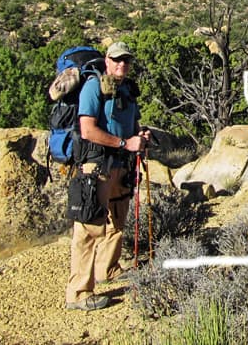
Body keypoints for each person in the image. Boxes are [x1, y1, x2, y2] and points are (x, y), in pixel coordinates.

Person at [65, 41, 151, 311]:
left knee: (117, 219)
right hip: (97, 164)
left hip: (121, 164)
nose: (121, 64)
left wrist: (141, 137)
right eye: (116, 60)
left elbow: (133, 124)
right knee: (90, 228)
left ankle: (108, 268)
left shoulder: (127, 89)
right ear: (107, 60)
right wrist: (125, 144)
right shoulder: (94, 86)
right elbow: (88, 129)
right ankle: (78, 293)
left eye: (125, 60)